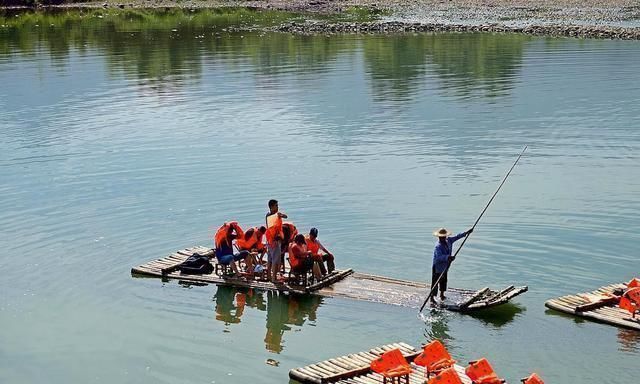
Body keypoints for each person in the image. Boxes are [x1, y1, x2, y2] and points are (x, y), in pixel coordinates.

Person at [430, 227, 473, 305]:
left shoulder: (449, 240)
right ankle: (432, 298)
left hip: (446, 266)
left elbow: (457, 237)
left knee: (444, 280)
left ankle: (442, 295)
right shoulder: (438, 246)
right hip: (438, 266)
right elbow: (438, 257)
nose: (442, 238)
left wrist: (466, 233)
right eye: (441, 237)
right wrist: (448, 257)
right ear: (439, 237)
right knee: (435, 282)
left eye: (443, 237)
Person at [265, 199, 288, 283]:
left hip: (269, 240)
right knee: (275, 259)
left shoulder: (268, 215)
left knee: (270, 259)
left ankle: (268, 276)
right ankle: (274, 278)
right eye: (276, 206)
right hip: (274, 240)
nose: (278, 207)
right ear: (271, 207)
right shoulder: (274, 215)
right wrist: (279, 215)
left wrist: (280, 215)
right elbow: (285, 216)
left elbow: (285, 216)